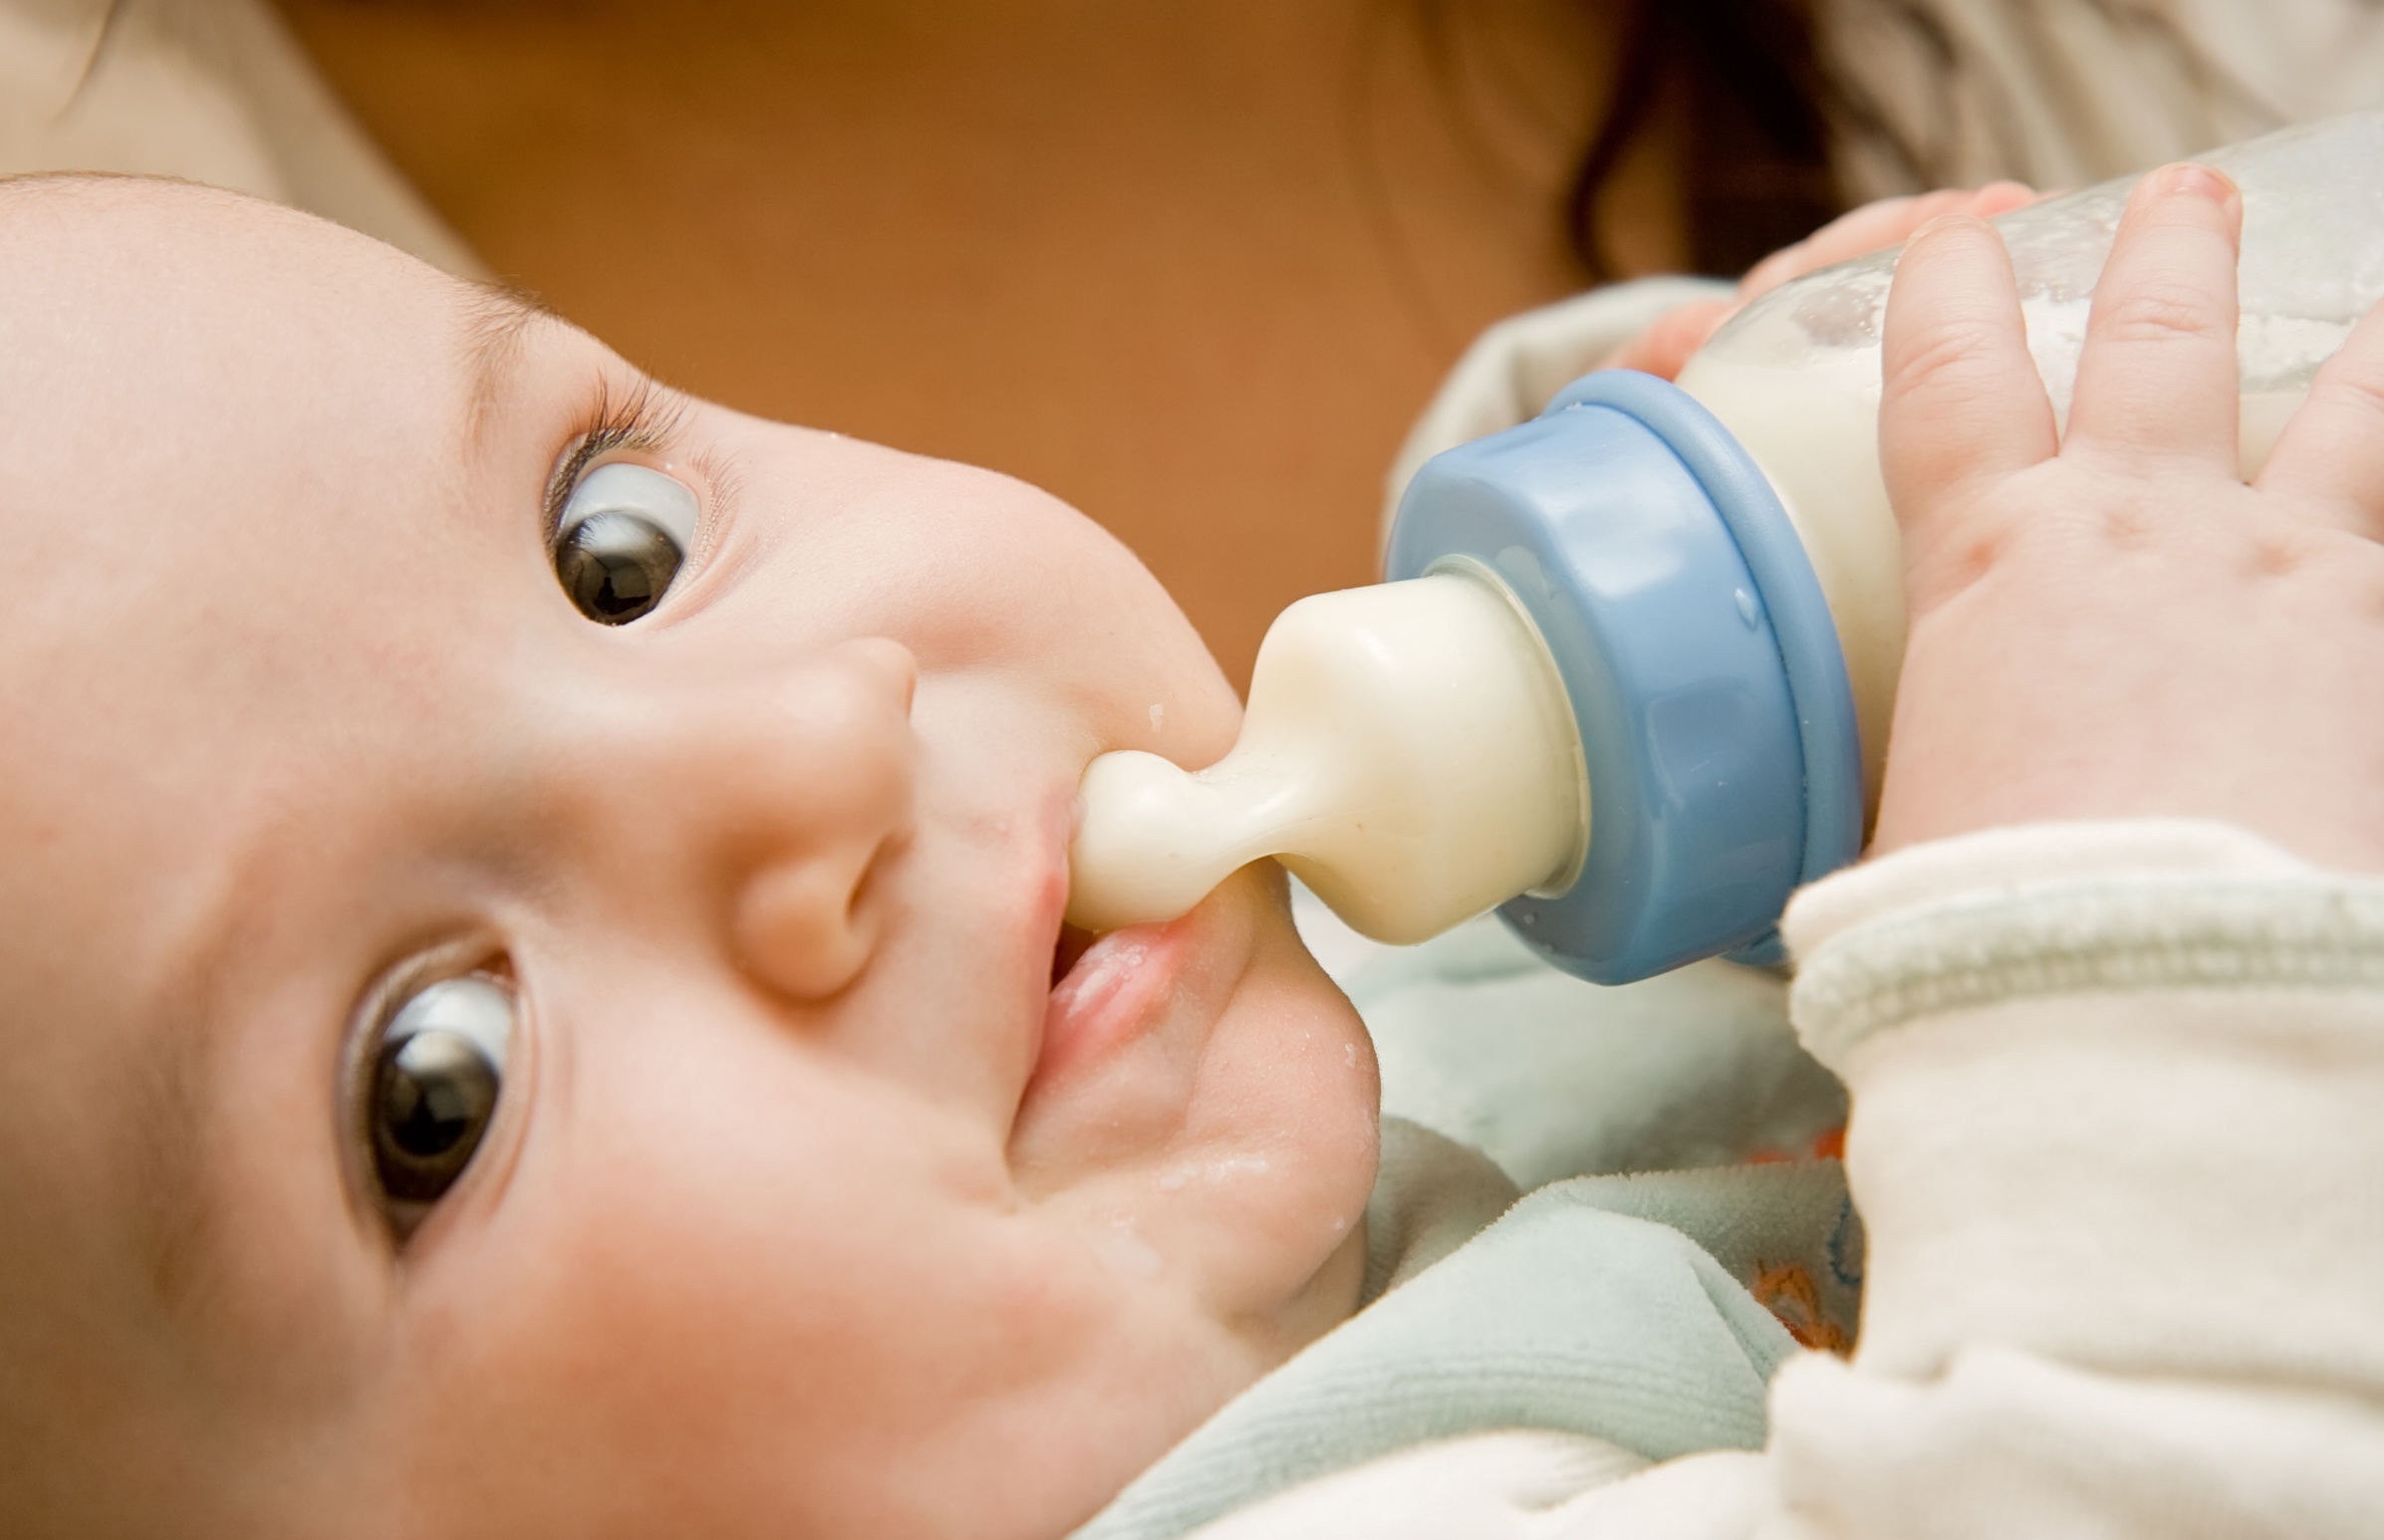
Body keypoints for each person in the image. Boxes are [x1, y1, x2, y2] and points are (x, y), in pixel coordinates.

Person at [3, 149, 2381, 1540]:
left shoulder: (1356, 1035)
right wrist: (2133, 949)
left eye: (613, 547)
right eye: (439, 1076)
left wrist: (1836, 586)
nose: (809, 755)